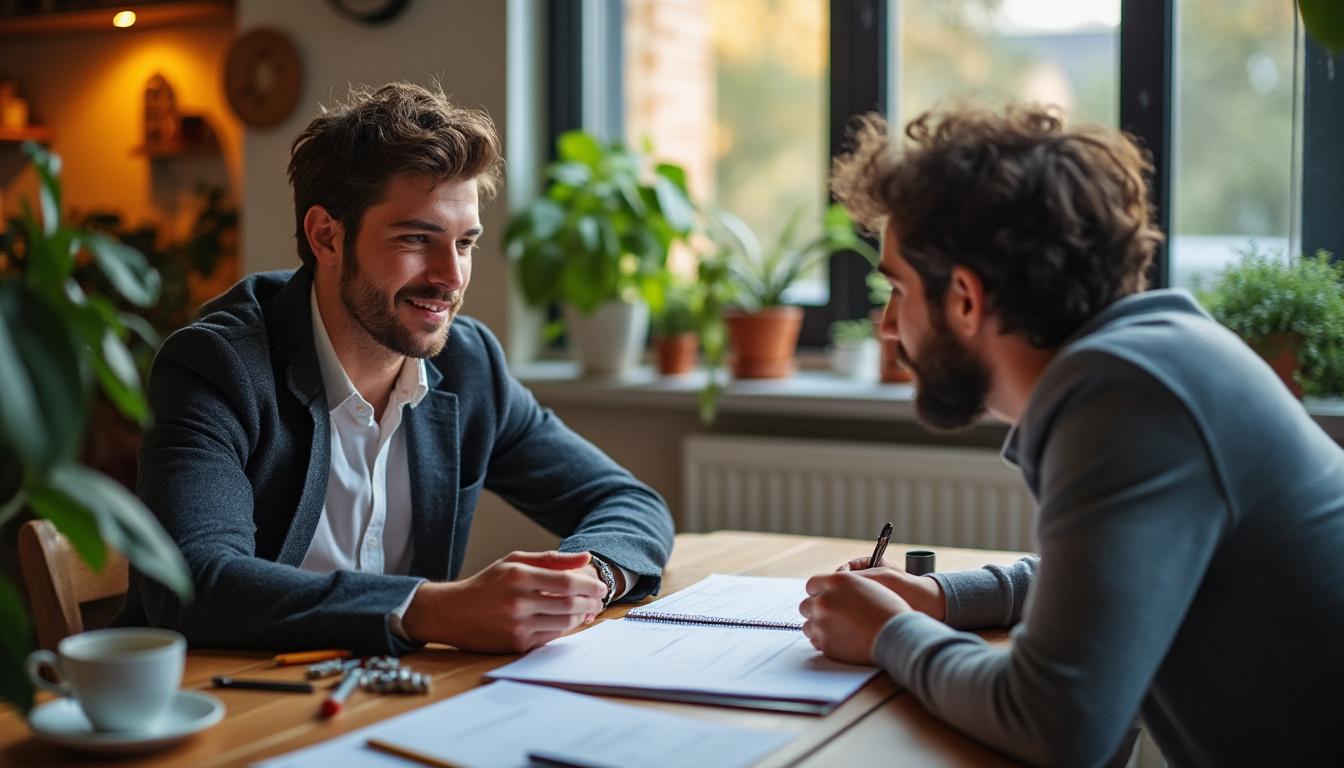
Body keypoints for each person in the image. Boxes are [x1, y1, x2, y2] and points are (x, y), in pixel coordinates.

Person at [799, 105, 1344, 765]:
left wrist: (890, 632)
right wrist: (942, 598)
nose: (888, 326)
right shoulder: (1152, 359)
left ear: (965, 299)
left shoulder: (1127, 397)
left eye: (898, 289)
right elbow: (1114, 581)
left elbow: (1055, 723)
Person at [118, 82, 674, 656]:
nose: (451, 277)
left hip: (392, 699)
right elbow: (195, 584)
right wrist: (430, 608)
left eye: (464, 243)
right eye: (417, 238)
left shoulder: (468, 364)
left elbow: (629, 502)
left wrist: (585, 580)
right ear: (326, 236)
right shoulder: (218, 367)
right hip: (229, 708)